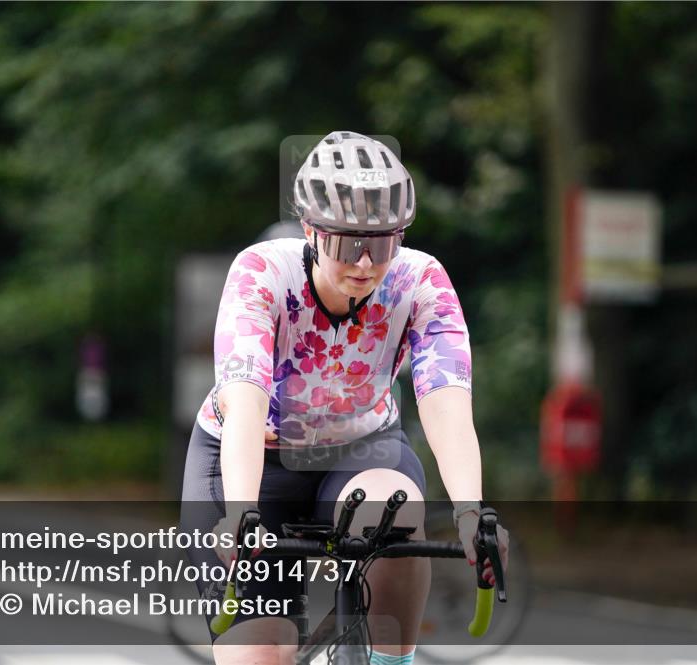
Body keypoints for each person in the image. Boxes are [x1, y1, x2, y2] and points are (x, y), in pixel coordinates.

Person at [180, 131, 506, 665]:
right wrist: (240, 512)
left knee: (396, 519)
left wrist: (472, 513)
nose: (364, 262)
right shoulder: (262, 274)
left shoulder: (421, 282)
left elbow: (447, 405)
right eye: (345, 242)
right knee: (262, 654)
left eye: (381, 243)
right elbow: (246, 400)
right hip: (251, 454)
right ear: (310, 229)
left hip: (361, 448)